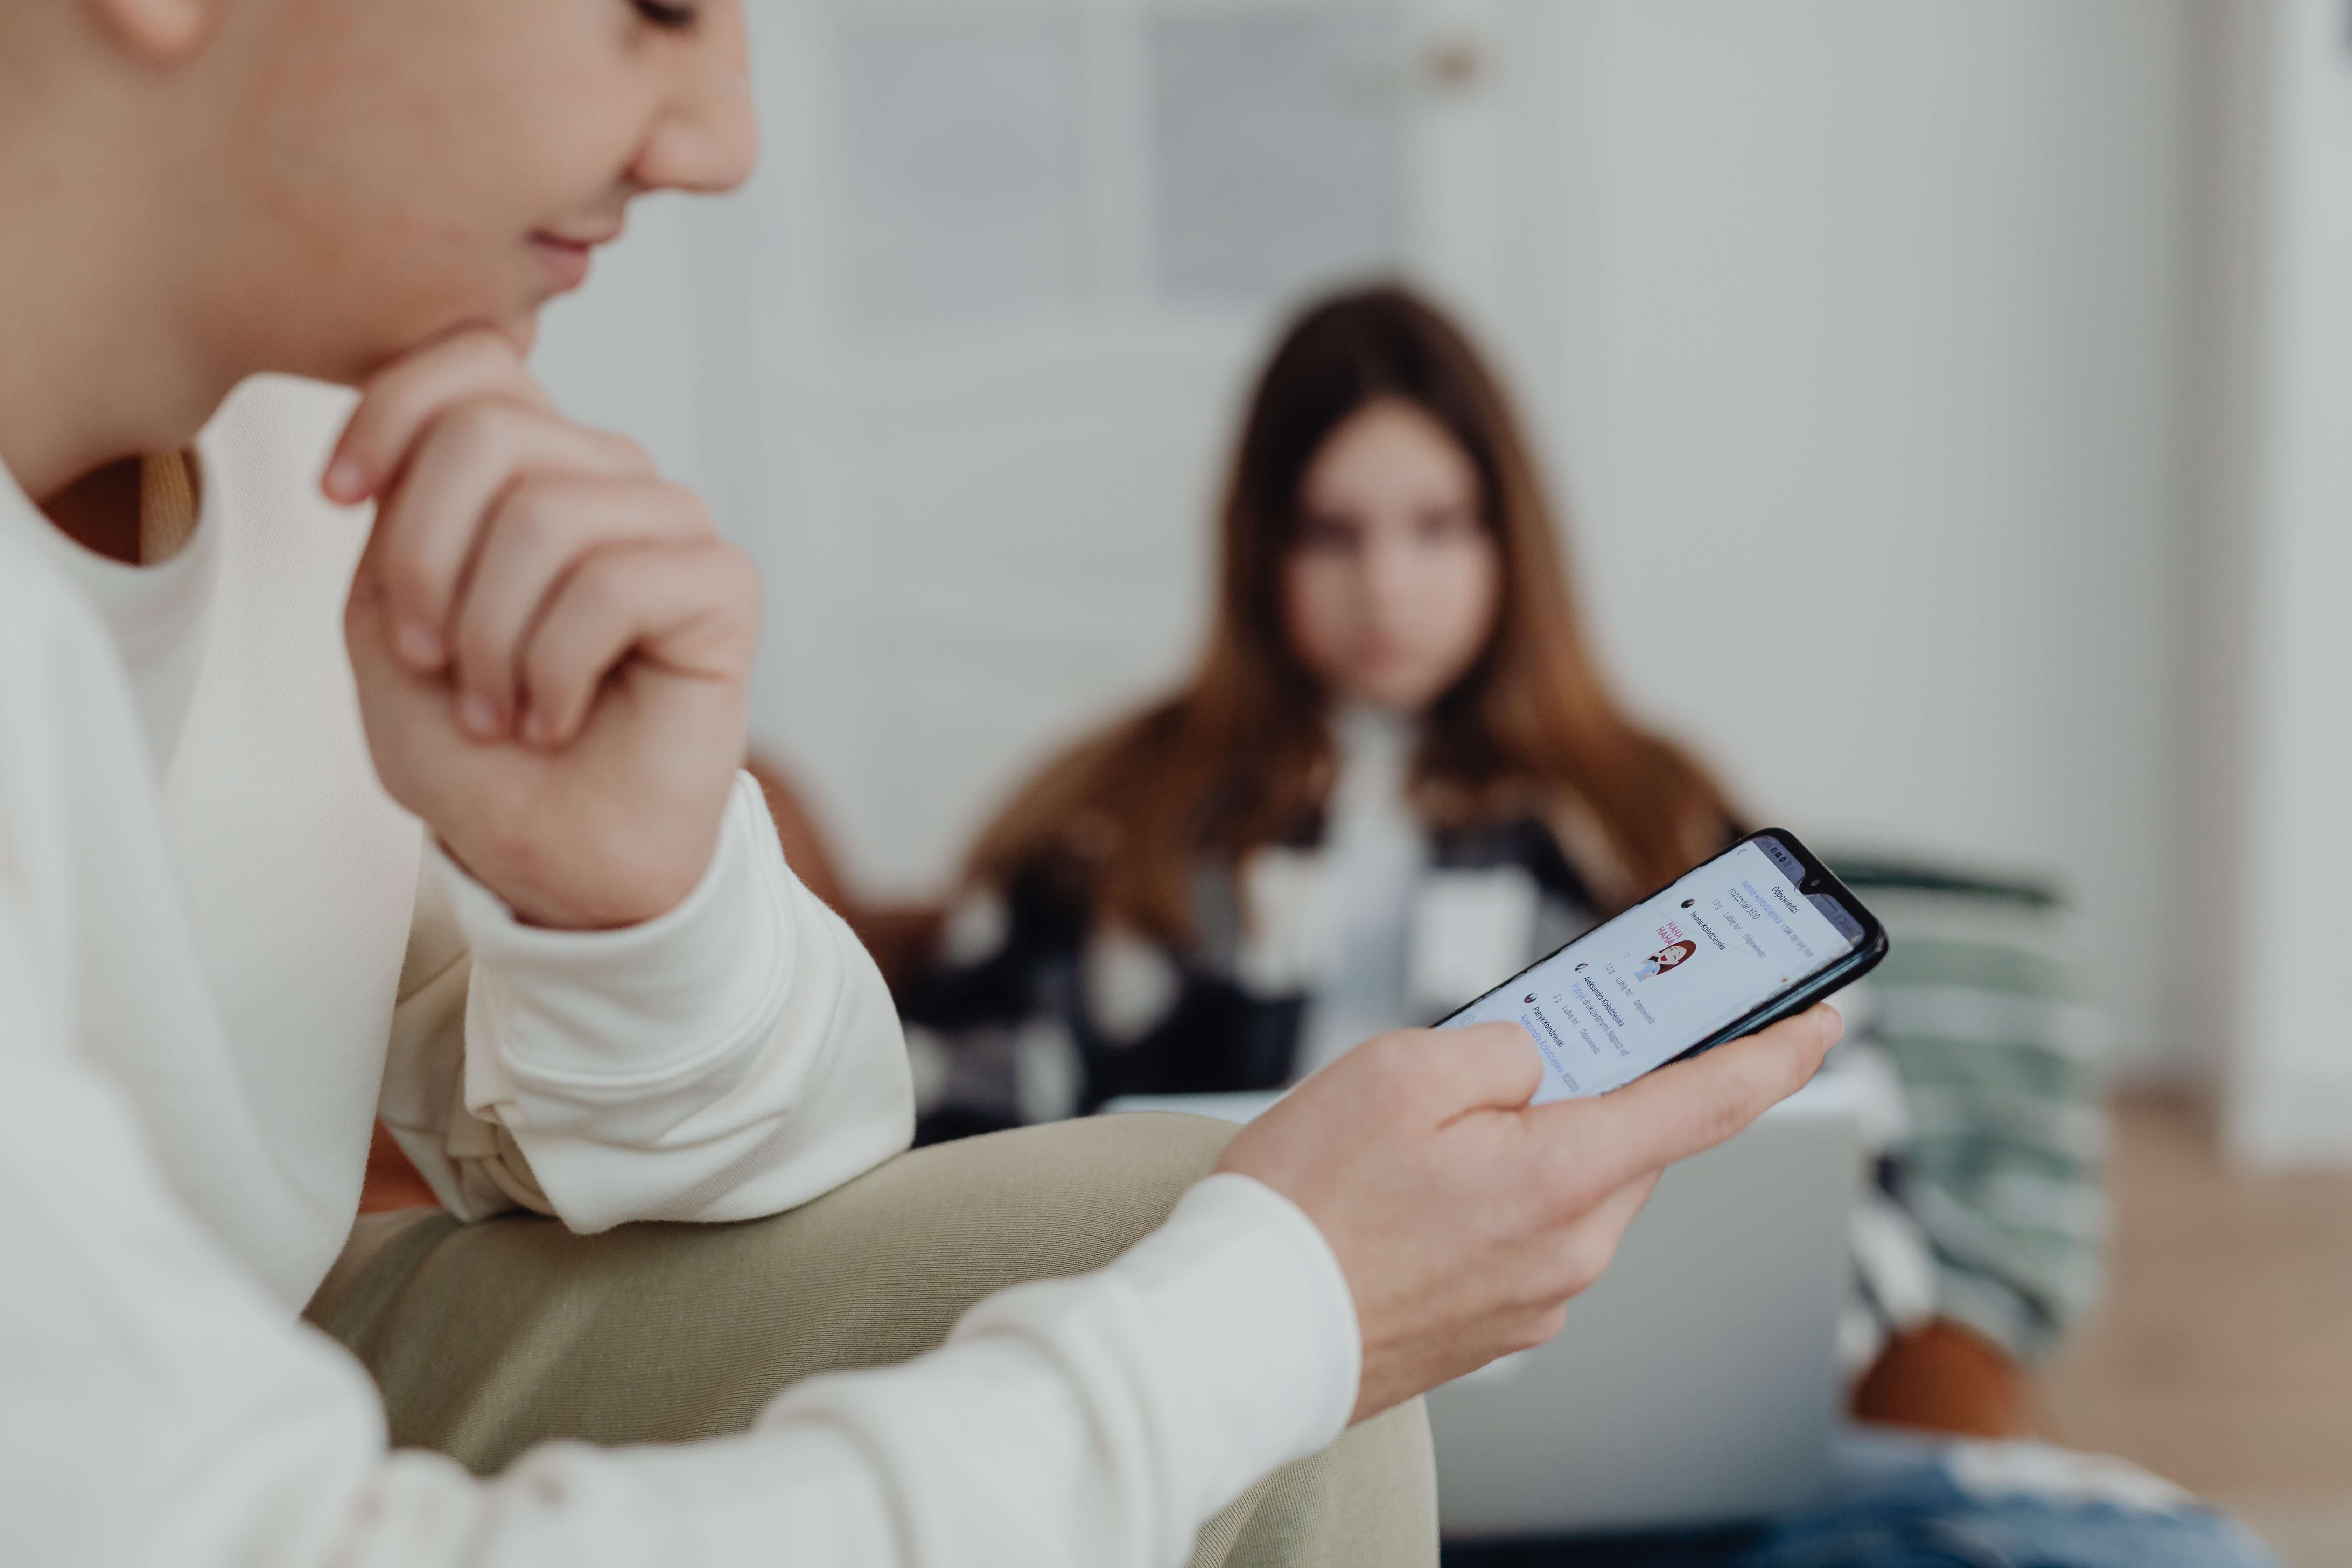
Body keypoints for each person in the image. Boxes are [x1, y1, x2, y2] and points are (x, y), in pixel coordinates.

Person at [0, 5, 1842, 1566]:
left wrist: (635, 904)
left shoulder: (324, 459)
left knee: (1184, 1218)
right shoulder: (1138, 817)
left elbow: (798, 1163)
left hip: (286, 1359)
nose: (725, 139)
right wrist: (1269, 1318)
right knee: (1259, 1292)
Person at [903, 287, 2272, 1567]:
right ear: (1259, 547)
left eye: (1440, 526)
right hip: (1235, 1463)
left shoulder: (1639, 812)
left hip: (1634, 1478)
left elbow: (1846, 1179)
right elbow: (943, 1187)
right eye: (1334, 532)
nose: (1389, 584)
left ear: (1512, 540)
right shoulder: (1109, 824)